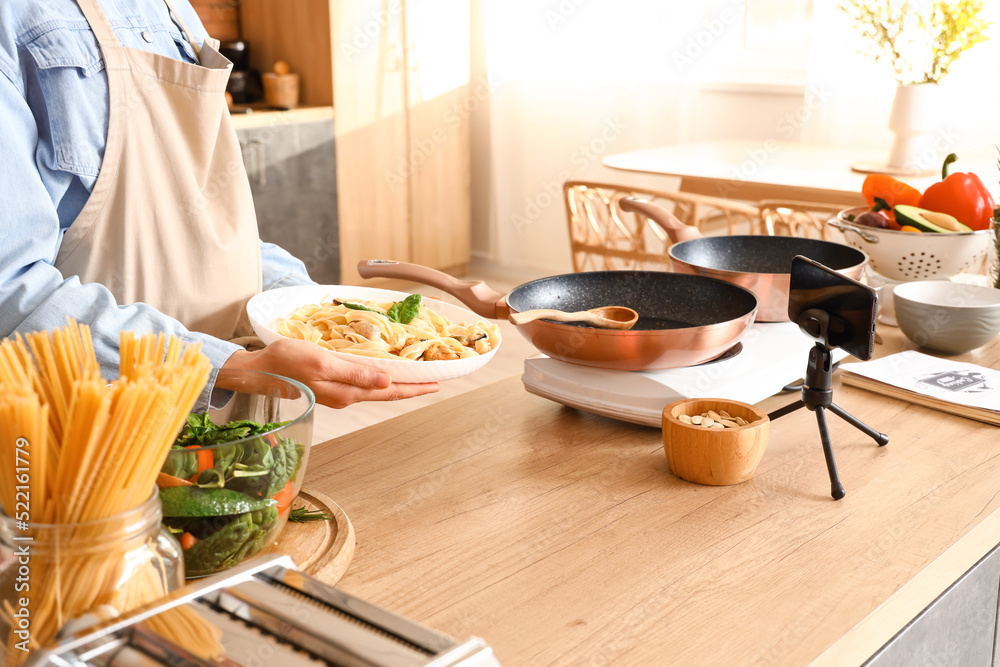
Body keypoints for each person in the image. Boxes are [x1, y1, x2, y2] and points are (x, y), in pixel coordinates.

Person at [0, 0, 440, 408]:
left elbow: (212, 231)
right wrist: (229, 367)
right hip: (85, 425)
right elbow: (10, 291)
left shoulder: (175, 11)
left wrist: (313, 309)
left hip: (236, 414)